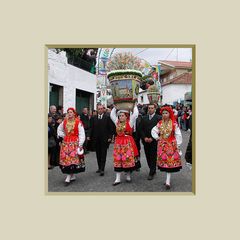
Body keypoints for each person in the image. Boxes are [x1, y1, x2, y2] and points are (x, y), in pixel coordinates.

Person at [151, 105, 182, 190]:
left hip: (171, 145)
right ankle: (167, 180)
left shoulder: (174, 123)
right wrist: (157, 137)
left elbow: (178, 134)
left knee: (170, 162)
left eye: (166, 113)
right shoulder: (160, 123)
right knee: (165, 162)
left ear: (170, 113)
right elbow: (154, 130)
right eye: (163, 113)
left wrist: (178, 145)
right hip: (162, 145)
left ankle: (168, 181)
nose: (164, 114)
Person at [110, 104, 141, 185]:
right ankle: (117, 178)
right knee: (118, 160)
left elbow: (135, 114)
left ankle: (128, 175)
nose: (120, 117)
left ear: (126, 116)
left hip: (127, 143)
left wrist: (134, 105)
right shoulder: (117, 123)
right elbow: (112, 115)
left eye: (122, 115)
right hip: (118, 144)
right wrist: (115, 107)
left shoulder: (130, 122)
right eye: (119, 116)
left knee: (127, 159)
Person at [57, 107, 86, 186]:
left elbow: (82, 133)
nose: (69, 113)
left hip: (74, 143)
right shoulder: (64, 122)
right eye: (68, 112)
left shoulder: (78, 122)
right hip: (66, 143)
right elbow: (59, 129)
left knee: (72, 159)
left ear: (74, 113)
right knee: (66, 159)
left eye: (71, 112)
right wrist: (63, 136)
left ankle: (68, 177)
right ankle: (72, 175)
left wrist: (80, 144)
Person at [88, 104, 113, 176]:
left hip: (104, 139)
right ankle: (99, 167)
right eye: (99, 109)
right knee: (98, 154)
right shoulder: (93, 118)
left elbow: (110, 128)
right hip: (96, 139)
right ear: (97, 110)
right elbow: (91, 128)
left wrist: (110, 137)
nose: (100, 110)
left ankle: (102, 169)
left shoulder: (107, 118)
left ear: (103, 109)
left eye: (101, 109)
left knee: (103, 154)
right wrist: (89, 135)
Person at [140, 103, 161, 180]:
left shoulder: (159, 118)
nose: (150, 109)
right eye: (149, 108)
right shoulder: (144, 118)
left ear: (155, 109)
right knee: (148, 156)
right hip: (146, 141)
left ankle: (152, 171)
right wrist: (144, 137)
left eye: (152, 108)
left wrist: (153, 138)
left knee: (153, 156)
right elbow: (141, 129)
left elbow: (160, 130)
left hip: (154, 141)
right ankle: (152, 168)